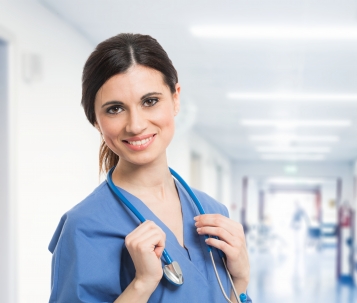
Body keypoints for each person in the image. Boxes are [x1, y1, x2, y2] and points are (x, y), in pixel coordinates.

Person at [48, 33, 251, 303]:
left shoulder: (213, 212)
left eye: (150, 101)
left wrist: (240, 278)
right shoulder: (84, 226)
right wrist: (142, 284)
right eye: (115, 108)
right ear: (95, 120)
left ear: (176, 98)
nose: (135, 125)